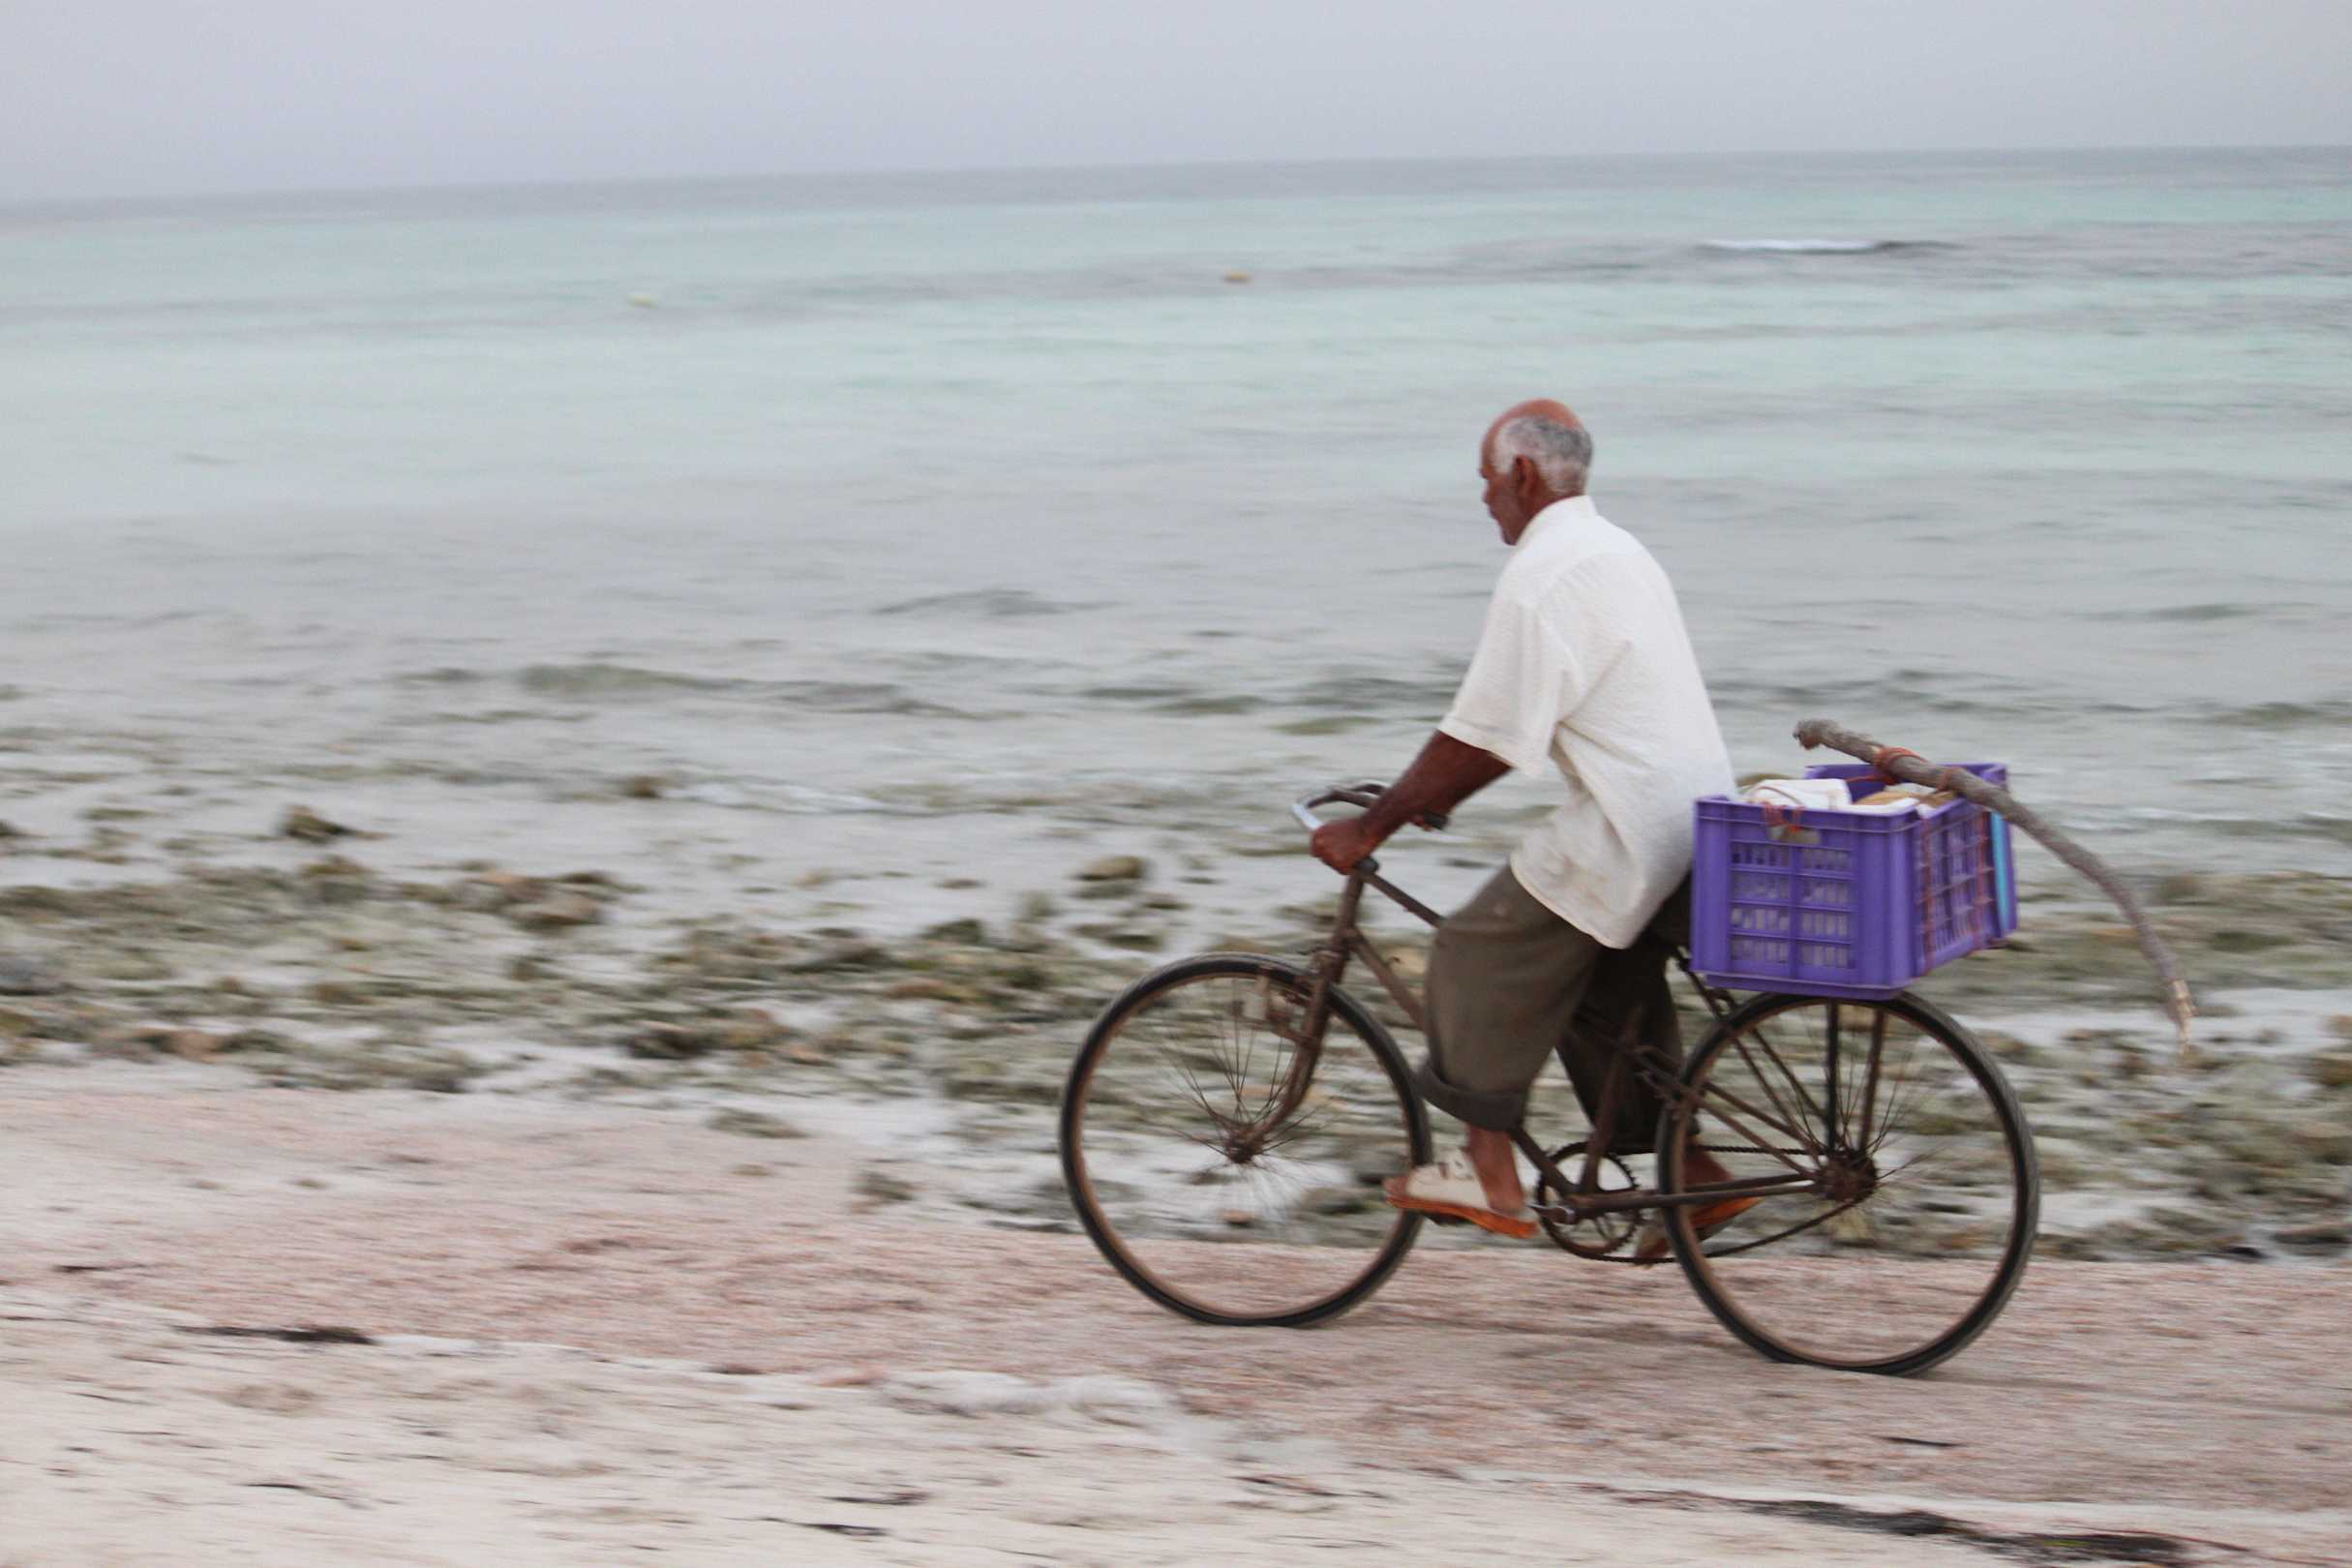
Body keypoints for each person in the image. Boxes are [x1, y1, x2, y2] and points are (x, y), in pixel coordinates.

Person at [1310, 399, 1756, 1251]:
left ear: (1521, 474)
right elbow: (1507, 731)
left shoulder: (1544, 572)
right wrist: (1431, 798)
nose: (1484, 500)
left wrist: (1374, 826)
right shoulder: (1616, 549)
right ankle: (1690, 1170)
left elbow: (1484, 734)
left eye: (1485, 481)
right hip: (1693, 817)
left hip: (1630, 825)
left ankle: (1489, 1170)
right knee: (1599, 993)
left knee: (1472, 950)